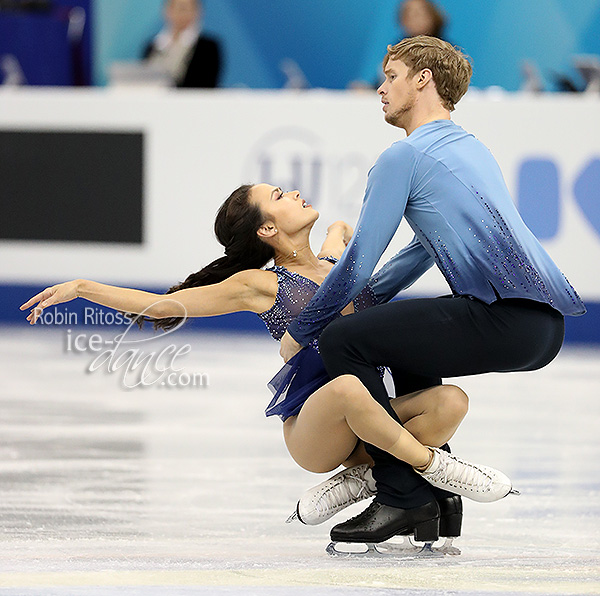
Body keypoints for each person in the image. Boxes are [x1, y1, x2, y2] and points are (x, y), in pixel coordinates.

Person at [21, 183, 515, 536]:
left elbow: (342, 227)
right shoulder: (261, 285)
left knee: (450, 400)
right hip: (317, 430)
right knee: (348, 388)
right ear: (269, 229)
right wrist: (83, 287)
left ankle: (365, 478)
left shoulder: (338, 264)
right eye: (279, 196)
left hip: (373, 421)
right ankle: (436, 468)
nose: (294, 193)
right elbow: (168, 305)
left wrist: (338, 239)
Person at [279, 35, 586, 546]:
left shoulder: (404, 157)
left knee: (343, 341)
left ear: (423, 80)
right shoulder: (469, 147)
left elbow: (358, 262)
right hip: (540, 327)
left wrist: (305, 327)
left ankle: (402, 495)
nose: (380, 88)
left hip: (504, 317)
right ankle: (438, 498)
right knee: (395, 334)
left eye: (391, 76)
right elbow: (420, 250)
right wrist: (364, 303)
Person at [143, 0, 221, 88]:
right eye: (179, 8)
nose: (182, 14)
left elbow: (207, 84)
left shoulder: (208, 47)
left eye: (187, 9)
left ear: (198, 12)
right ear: (167, 10)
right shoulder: (152, 45)